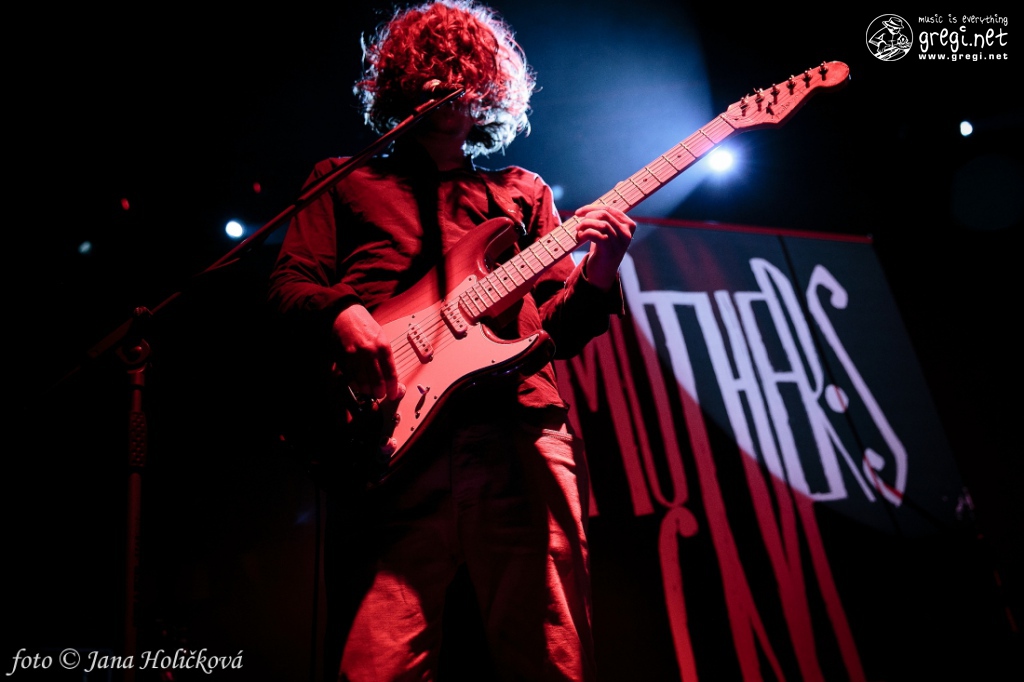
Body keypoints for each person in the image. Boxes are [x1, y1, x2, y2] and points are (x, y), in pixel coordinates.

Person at [267, 1, 635, 679]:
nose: (447, 85)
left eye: (464, 73)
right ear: (400, 84)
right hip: (386, 436)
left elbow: (559, 330)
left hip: (516, 431)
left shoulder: (520, 194)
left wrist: (603, 266)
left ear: (488, 90)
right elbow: (290, 283)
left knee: (548, 652)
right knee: (377, 661)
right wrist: (343, 313)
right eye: (429, 71)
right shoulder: (345, 180)